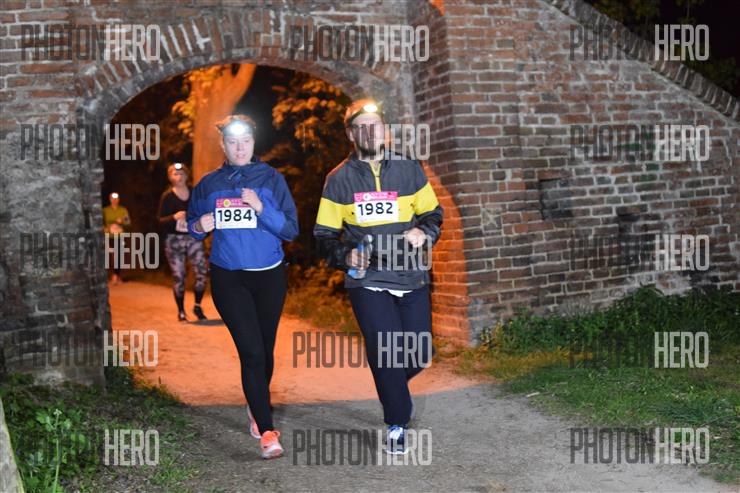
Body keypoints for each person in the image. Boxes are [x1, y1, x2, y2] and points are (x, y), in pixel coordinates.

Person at [313, 99, 443, 455]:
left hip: (411, 274)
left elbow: (433, 214)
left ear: (385, 131)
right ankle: (397, 422)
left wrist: (425, 232)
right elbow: (323, 236)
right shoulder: (339, 179)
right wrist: (345, 254)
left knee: (419, 354)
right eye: (362, 127)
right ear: (351, 134)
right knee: (387, 352)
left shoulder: (409, 169)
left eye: (376, 126)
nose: (370, 133)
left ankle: (390, 384)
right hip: (367, 278)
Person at [187, 114, 298, 459]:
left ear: (253, 143)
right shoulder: (208, 184)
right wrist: (199, 225)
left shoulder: (272, 179)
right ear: (223, 145)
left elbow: (290, 229)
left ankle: (255, 403)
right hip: (229, 277)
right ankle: (267, 431)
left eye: (245, 141)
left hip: (269, 276)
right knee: (251, 352)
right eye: (232, 142)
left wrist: (261, 207)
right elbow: (191, 225)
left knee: (265, 349)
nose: (239, 148)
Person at [158, 162, 209, 322]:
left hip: (193, 238)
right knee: (179, 276)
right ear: (170, 177)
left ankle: (197, 306)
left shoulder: (194, 193)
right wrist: (173, 217)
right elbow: (160, 221)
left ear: (187, 176)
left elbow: (204, 214)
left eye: (181, 174)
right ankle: (181, 311)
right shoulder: (167, 197)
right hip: (174, 240)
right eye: (175, 174)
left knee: (202, 273)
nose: (179, 177)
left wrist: (204, 229)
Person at [103, 192, 131, 284]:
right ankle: (115, 275)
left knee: (119, 255)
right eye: (113, 198)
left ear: (118, 199)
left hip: (120, 236)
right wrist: (104, 227)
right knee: (113, 255)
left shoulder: (123, 210)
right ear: (110, 199)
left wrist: (121, 221)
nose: (114, 200)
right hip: (109, 236)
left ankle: (116, 275)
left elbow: (128, 222)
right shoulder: (105, 210)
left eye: (116, 198)